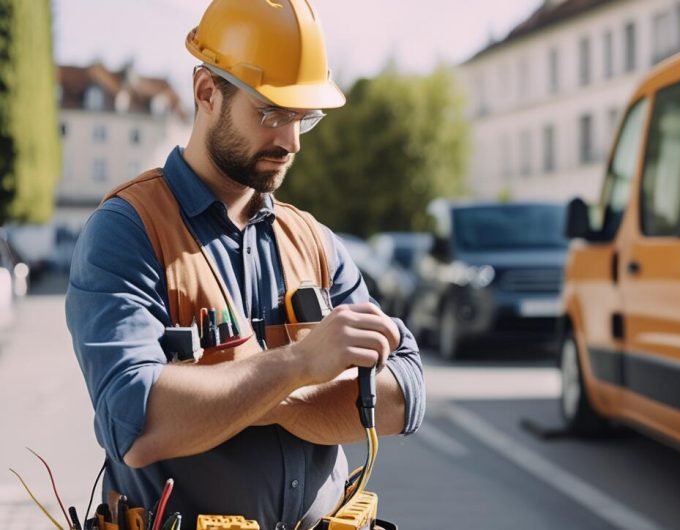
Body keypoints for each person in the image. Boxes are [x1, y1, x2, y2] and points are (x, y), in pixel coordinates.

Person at [65, 1, 425, 529]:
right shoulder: (128, 232)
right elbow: (138, 423)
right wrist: (301, 365)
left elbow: (403, 394)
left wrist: (241, 397)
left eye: (304, 117)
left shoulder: (314, 241)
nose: (291, 141)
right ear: (207, 91)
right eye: (271, 113)